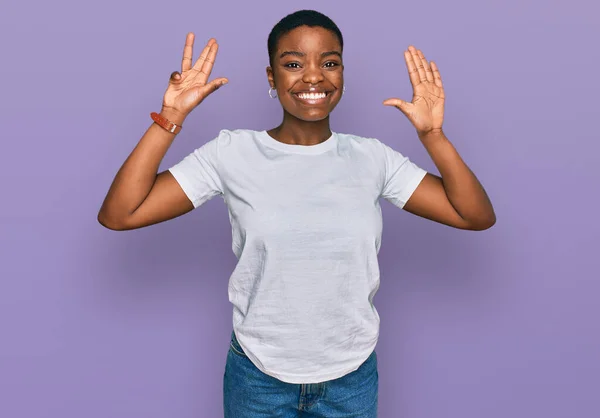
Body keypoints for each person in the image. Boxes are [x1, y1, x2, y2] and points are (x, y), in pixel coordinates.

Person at [98, 9, 495, 418]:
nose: (313, 77)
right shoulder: (232, 153)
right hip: (258, 377)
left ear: (342, 72)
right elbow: (121, 213)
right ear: (271, 77)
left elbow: (474, 215)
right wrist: (171, 118)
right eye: (293, 64)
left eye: (329, 62)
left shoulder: (372, 158)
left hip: (351, 377)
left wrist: (432, 136)